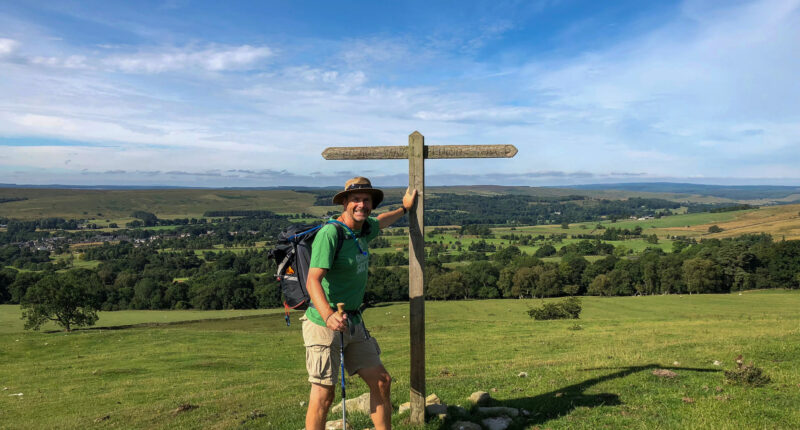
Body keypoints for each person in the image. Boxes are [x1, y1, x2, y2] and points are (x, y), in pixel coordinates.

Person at [303, 176, 417, 430]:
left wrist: (405, 208)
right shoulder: (331, 234)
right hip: (323, 323)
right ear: (345, 202)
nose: (361, 205)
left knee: (381, 381)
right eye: (355, 199)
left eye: (366, 200)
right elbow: (313, 280)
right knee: (324, 395)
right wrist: (329, 315)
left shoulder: (364, 229)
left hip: (353, 320)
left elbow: (382, 222)